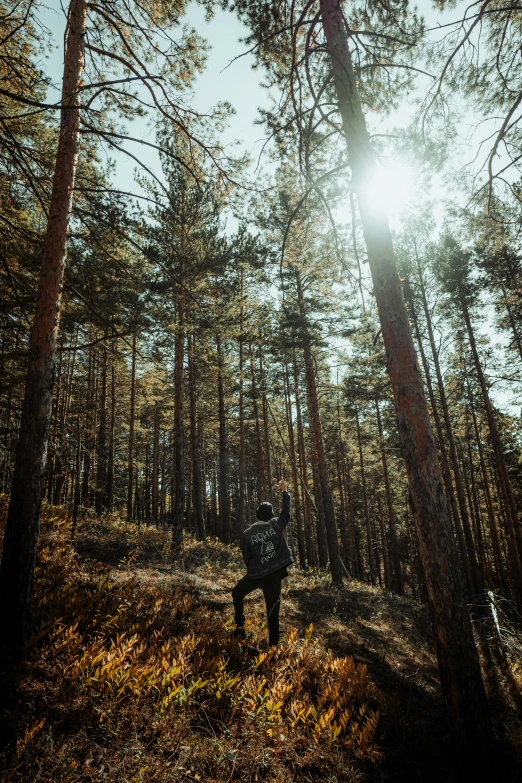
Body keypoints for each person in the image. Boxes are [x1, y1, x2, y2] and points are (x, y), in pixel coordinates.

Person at [232, 477, 293, 647]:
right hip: (273, 576)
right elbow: (286, 513)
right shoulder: (277, 525)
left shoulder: (247, 533)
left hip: (255, 575)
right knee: (272, 612)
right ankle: (273, 647)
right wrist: (284, 491)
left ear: (257, 515)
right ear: (271, 515)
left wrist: (254, 569)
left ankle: (240, 628)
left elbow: (246, 556)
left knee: (237, 594)